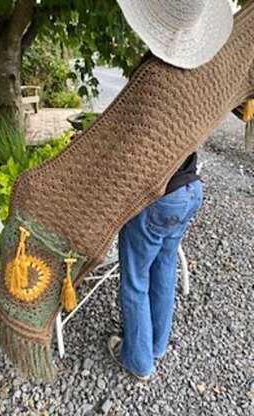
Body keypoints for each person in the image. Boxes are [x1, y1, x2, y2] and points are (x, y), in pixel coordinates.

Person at [108, 0, 233, 380]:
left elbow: (130, 147)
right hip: (189, 190)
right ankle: (157, 344)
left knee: (134, 278)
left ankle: (138, 359)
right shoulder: (200, 73)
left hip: (157, 196)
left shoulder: (150, 76)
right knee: (163, 266)